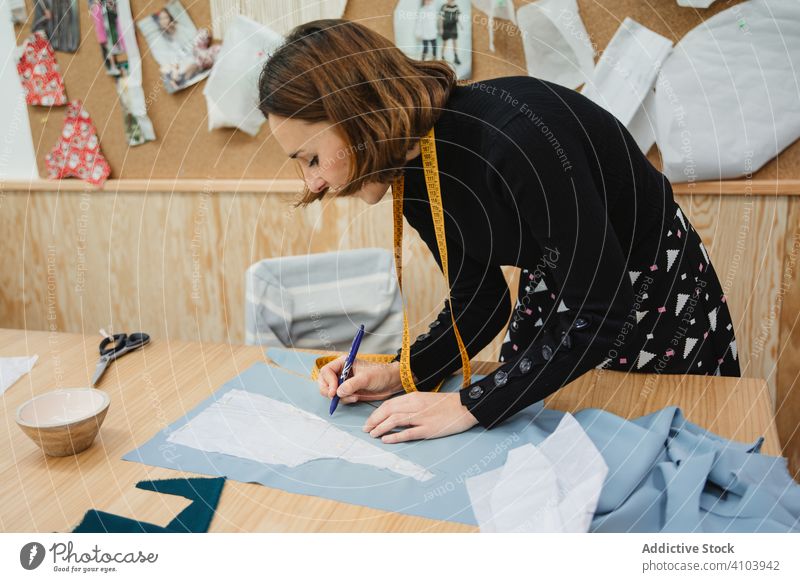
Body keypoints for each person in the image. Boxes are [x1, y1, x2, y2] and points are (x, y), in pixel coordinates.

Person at [257, 19, 740, 444]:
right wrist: (399, 373)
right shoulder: (412, 169)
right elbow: (479, 300)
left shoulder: (517, 138)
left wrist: (470, 404)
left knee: (670, 452)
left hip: (655, 293)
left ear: (356, 113)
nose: (314, 182)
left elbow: (600, 308)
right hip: (565, 293)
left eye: (312, 158)